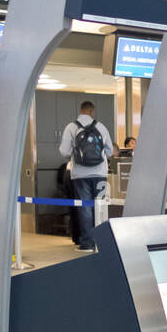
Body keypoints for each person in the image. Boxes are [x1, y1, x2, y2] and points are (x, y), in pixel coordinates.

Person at [59, 101, 114, 251]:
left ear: (81, 110)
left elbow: (64, 151)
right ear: (92, 112)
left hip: (80, 175)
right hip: (100, 174)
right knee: (101, 208)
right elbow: (110, 152)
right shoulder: (101, 127)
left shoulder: (71, 127)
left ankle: (87, 244)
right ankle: (102, 243)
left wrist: (77, 156)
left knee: (84, 208)